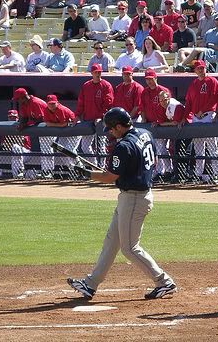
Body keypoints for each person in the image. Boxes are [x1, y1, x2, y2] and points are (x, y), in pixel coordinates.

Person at [67, 107, 177, 301]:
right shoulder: (145, 133)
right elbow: (152, 162)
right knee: (112, 240)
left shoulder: (123, 146)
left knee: (129, 248)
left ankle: (163, 282)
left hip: (134, 199)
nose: (109, 132)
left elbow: (109, 177)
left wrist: (87, 174)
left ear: (119, 126)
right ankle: (90, 284)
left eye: (111, 129)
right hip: (135, 194)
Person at [180, 60, 218, 184]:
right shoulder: (193, 84)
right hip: (196, 118)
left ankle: (216, 174)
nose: (200, 70)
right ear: (195, 70)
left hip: (208, 115)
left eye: (202, 68)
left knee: (212, 146)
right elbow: (188, 103)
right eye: (198, 68)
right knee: (198, 148)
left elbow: (215, 98)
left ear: (205, 68)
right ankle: (198, 174)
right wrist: (184, 117)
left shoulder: (212, 81)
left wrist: (202, 110)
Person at [74, 63, 114, 167]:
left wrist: (101, 116)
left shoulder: (106, 85)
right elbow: (81, 102)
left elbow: (108, 103)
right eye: (96, 72)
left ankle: (103, 167)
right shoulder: (86, 85)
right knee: (85, 146)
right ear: (91, 73)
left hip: (102, 121)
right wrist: (77, 115)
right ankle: (94, 166)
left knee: (102, 146)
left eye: (99, 72)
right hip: (88, 119)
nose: (98, 74)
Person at [139, 68, 174, 178]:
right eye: (147, 79)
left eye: (151, 79)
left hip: (162, 124)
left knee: (161, 149)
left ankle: (166, 171)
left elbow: (169, 108)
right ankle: (160, 171)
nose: (149, 81)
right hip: (150, 125)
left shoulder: (163, 90)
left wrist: (160, 122)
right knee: (153, 150)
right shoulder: (145, 92)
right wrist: (144, 119)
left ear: (156, 78)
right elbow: (142, 108)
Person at [39, 94, 80, 177]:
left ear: (57, 102)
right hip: (63, 131)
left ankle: (80, 168)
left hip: (74, 129)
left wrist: (55, 124)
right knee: (60, 149)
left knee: (70, 149)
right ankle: (73, 169)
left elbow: (63, 124)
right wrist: (58, 125)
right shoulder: (46, 110)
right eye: (50, 103)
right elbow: (50, 124)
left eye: (53, 103)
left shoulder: (61, 109)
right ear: (47, 103)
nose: (52, 105)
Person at [0, 108, 32, 179]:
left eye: (14, 117)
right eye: (10, 117)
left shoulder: (22, 126)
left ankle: (20, 171)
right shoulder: (5, 129)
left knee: (15, 147)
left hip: (26, 153)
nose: (12, 119)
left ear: (17, 118)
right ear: (8, 118)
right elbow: (3, 145)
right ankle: (17, 175)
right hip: (14, 154)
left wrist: (11, 142)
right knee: (15, 155)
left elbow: (24, 144)